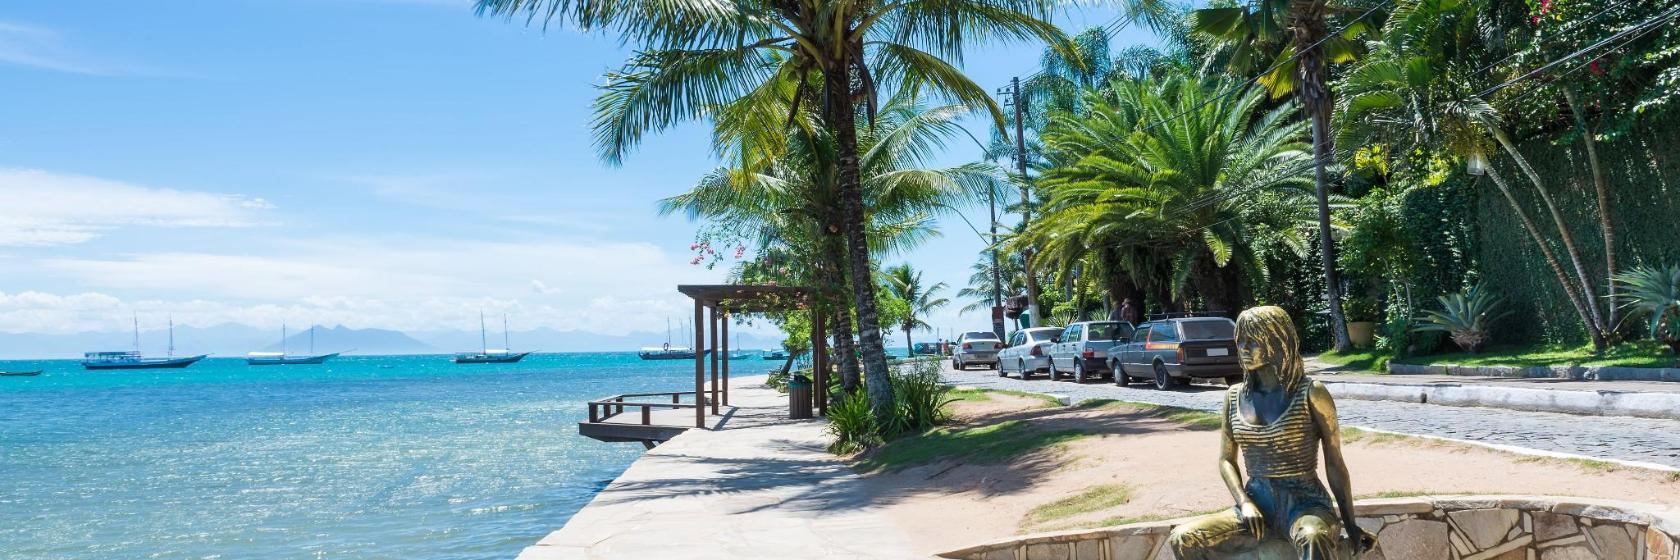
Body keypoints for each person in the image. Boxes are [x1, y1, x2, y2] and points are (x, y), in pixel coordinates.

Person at [1166, 306, 1375, 559]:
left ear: (1277, 341)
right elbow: (1226, 460)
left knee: (1312, 535)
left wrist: (1350, 523)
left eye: (1252, 340)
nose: (1243, 347)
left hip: (1305, 503)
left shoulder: (1311, 393)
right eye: (1240, 340)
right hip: (1256, 500)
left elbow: (1334, 460)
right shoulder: (1233, 397)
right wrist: (1244, 502)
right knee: (1183, 538)